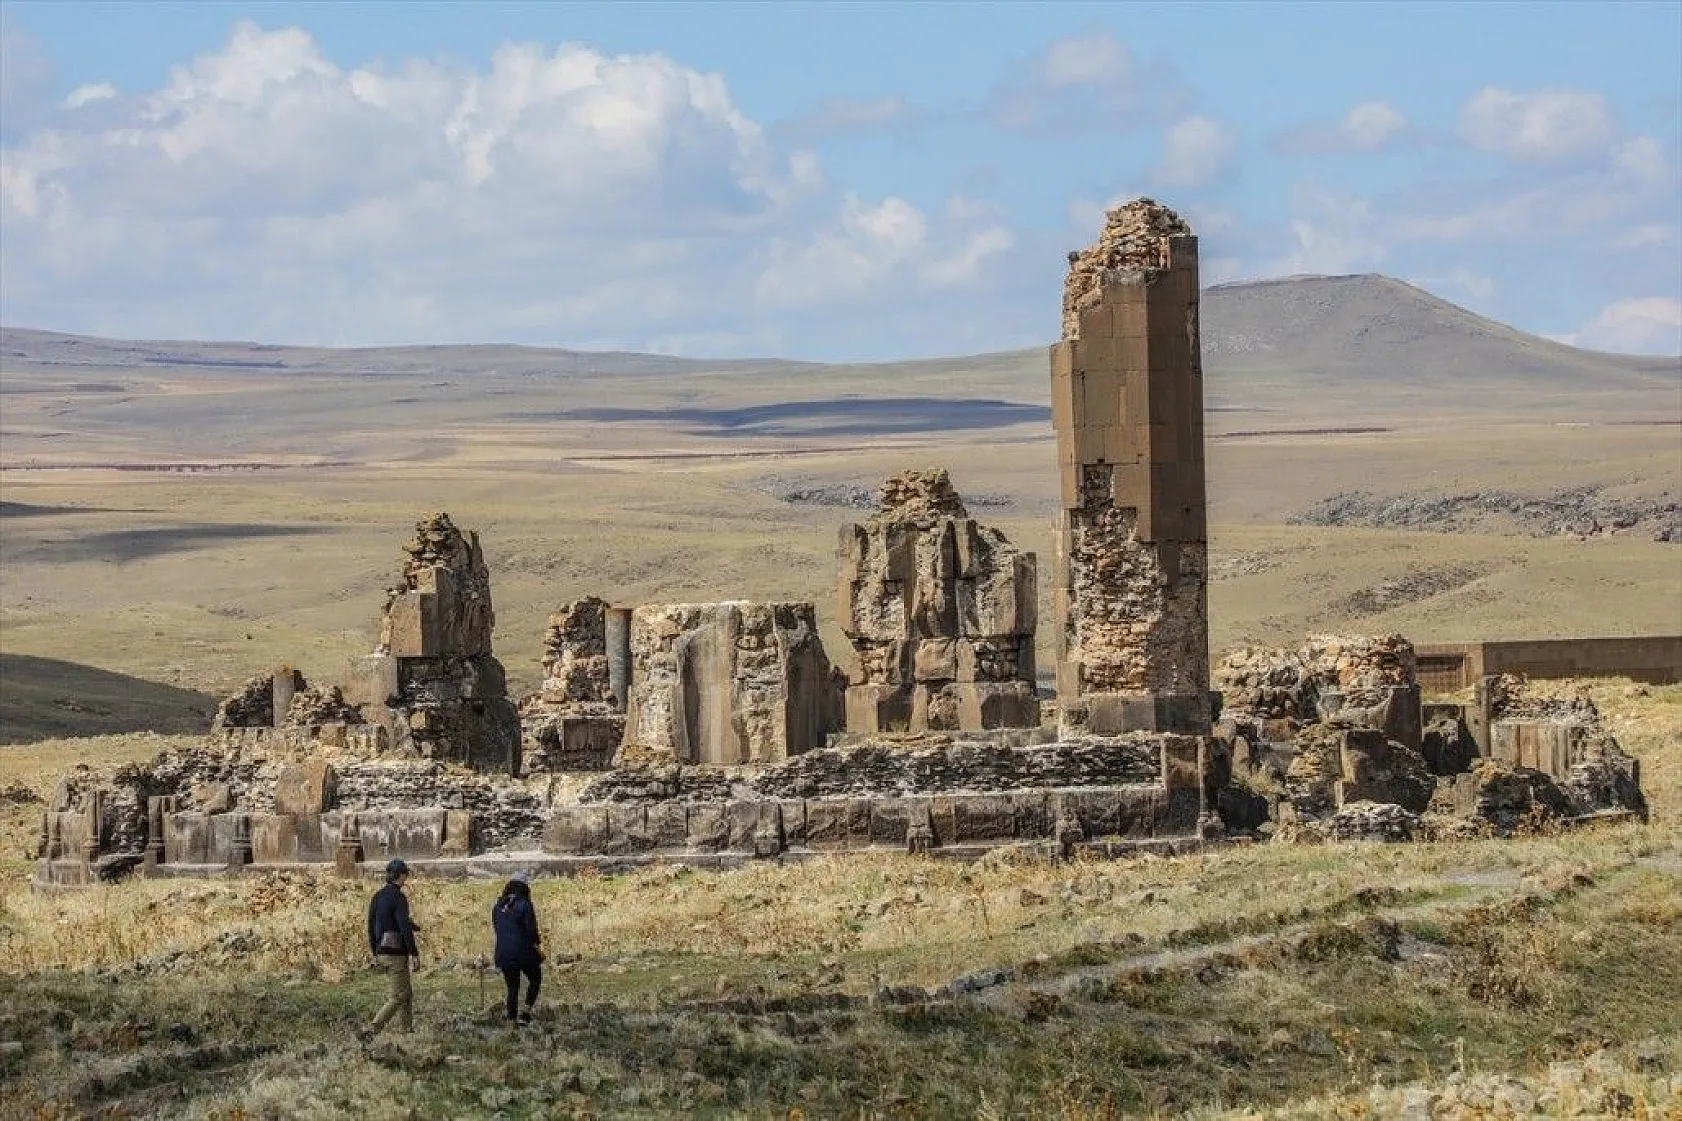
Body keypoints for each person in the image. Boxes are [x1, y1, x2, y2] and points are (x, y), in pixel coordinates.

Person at [359, 858, 421, 1043]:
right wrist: (414, 953)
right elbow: (403, 926)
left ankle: (406, 1030)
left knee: (406, 993)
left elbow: (370, 925)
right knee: (398, 996)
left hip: (381, 950)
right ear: (401, 876)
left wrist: (375, 950)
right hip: (396, 953)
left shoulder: (377, 896)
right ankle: (372, 1030)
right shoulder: (399, 897)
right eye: (406, 875)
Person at [491, 878, 544, 1025]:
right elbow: (531, 930)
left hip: (503, 953)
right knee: (535, 978)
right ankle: (525, 1013)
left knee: (512, 988)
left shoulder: (497, 907)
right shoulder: (525, 904)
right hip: (523, 951)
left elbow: (498, 929)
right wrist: (538, 947)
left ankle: (511, 1021)